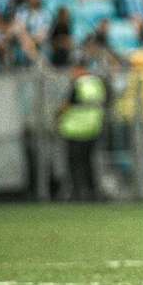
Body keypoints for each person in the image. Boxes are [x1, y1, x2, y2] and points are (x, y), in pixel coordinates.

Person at [56, 62, 106, 201]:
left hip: (75, 130)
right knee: (89, 163)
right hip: (93, 128)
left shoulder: (78, 84)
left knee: (75, 164)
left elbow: (67, 104)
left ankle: (77, 193)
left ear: (79, 69)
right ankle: (93, 192)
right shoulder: (97, 83)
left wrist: (57, 115)